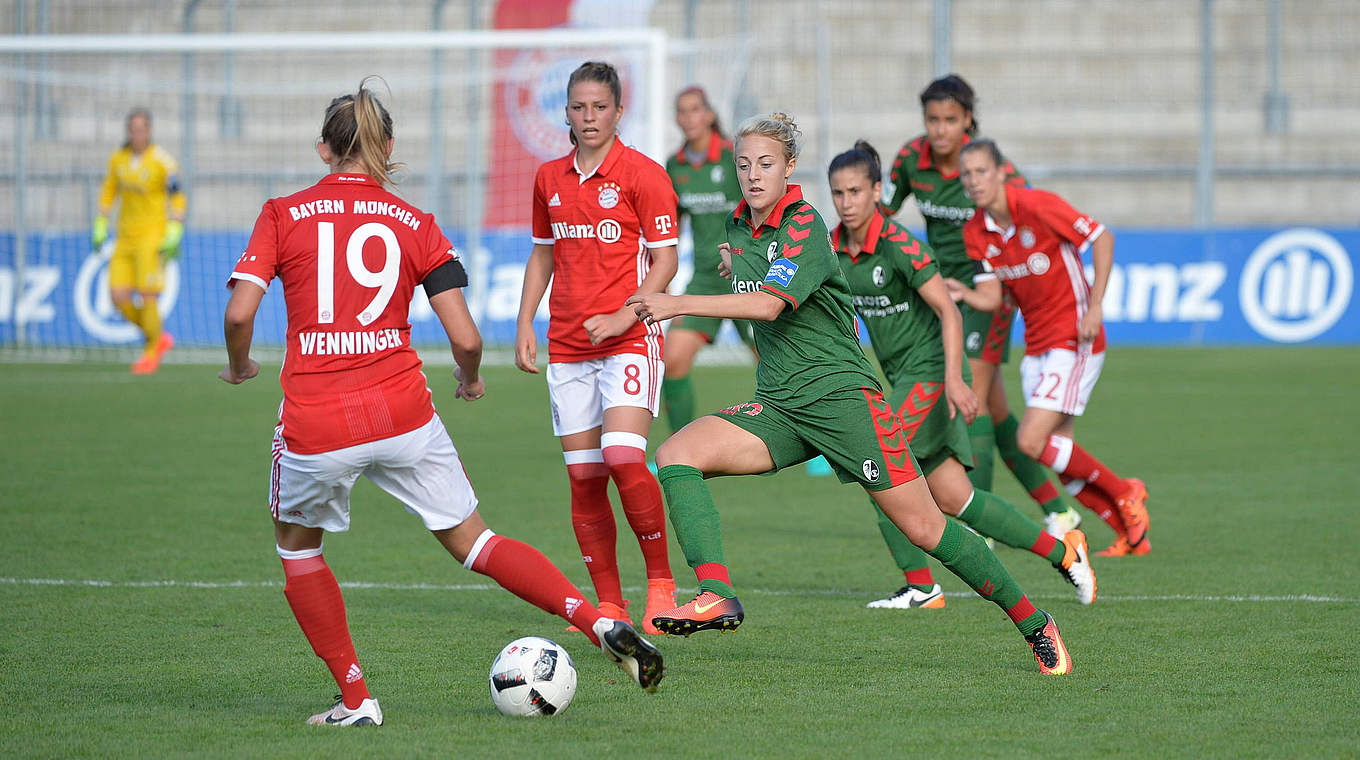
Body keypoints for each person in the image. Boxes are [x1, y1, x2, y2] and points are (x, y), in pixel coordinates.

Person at [219, 80, 663, 727]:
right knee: (475, 540)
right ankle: (597, 619)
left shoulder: (283, 213)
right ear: (389, 147)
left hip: (318, 421)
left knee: (298, 549)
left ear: (324, 150)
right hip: (404, 414)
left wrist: (240, 365)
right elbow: (465, 337)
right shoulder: (414, 223)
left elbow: (238, 313)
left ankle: (355, 699)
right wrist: (469, 377)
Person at [629, 113, 1073, 675]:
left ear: (789, 167)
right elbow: (744, 282)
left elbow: (768, 304)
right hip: (782, 406)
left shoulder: (804, 225)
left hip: (845, 402)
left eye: (766, 163)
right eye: (743, 165)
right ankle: (715, 591)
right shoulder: (737, 231)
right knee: (675, 455)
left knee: (927, 528)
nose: (752, 175)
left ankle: (1036, 623)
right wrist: (724, 266)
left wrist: (676, 301)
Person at [829, 140, 1095, 607]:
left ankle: (921, 586)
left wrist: (954, 380)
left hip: (932, 374)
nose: (847, 203)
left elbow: (949, 312)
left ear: (877, 192)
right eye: (838, 193)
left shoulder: (899, 246)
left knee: (876, 466)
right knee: (956, 499)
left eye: (856, 191)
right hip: (904, 378)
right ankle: (1064, 552)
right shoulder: (833, 248)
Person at [515, 62, 679, 635]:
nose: (589, 118)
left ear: (617, 111)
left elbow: (666, 261)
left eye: (599, 107)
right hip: (567, 346)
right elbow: (543, 254)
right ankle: (611, 604)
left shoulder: (644, 175)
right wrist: (524, 321)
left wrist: (622, 315)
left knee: (623, 458)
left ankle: (661, 585)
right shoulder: (547, 178)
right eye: (579, 108)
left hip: (631, 338)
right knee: (584, 477)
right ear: (565, 111)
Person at [884, 75, 1081, 537]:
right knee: (993, 412)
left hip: (988, 293)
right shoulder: (912, 160)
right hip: (941, 291)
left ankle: (980, 524)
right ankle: (1059, 510)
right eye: (933, 119)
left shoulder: (991, 168)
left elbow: (1029, 216)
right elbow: (883, 212)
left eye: (950, 119)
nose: (940, 129)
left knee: (964, 405)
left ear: (968, 120)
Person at [957, 138, 1150, 557]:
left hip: (1075, 337)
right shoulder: (975, 232)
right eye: (967, 174)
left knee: (1030, 442)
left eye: (981, 171)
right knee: (1059, 454)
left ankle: (1125, 492)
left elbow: (1102, 237)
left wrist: (1094, 307)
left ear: (1002, 170)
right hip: (1038, 346)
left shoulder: (1038, 205)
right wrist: (958, 292)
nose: (974, 180)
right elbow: (993, 297)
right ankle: (1128, 530)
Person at [661, 86, 752, 432]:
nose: (688, 118)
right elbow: (672, 225)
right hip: (704, 281)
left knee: (777, 365)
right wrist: (665, 277)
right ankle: (681, 447)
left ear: (710, 114)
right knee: (673, 362)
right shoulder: (675, 165)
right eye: (681, 111)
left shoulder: (734, 156)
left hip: (748, 278)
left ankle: (815, 447)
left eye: (695, 109)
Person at [93, 108, 185, 374]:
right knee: (118, 296)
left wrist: (175, 228)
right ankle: (157, 337)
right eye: (133, 129)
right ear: (128, 131)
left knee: (148, 295)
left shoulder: (162, 161)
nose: (137, 134)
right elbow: (109, 190)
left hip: (151, 237)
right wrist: (101, 222)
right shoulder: (118, 159)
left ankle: (150, 351)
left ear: (149, 131)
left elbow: (177, 196)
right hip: (124, 237)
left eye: (142, 129)